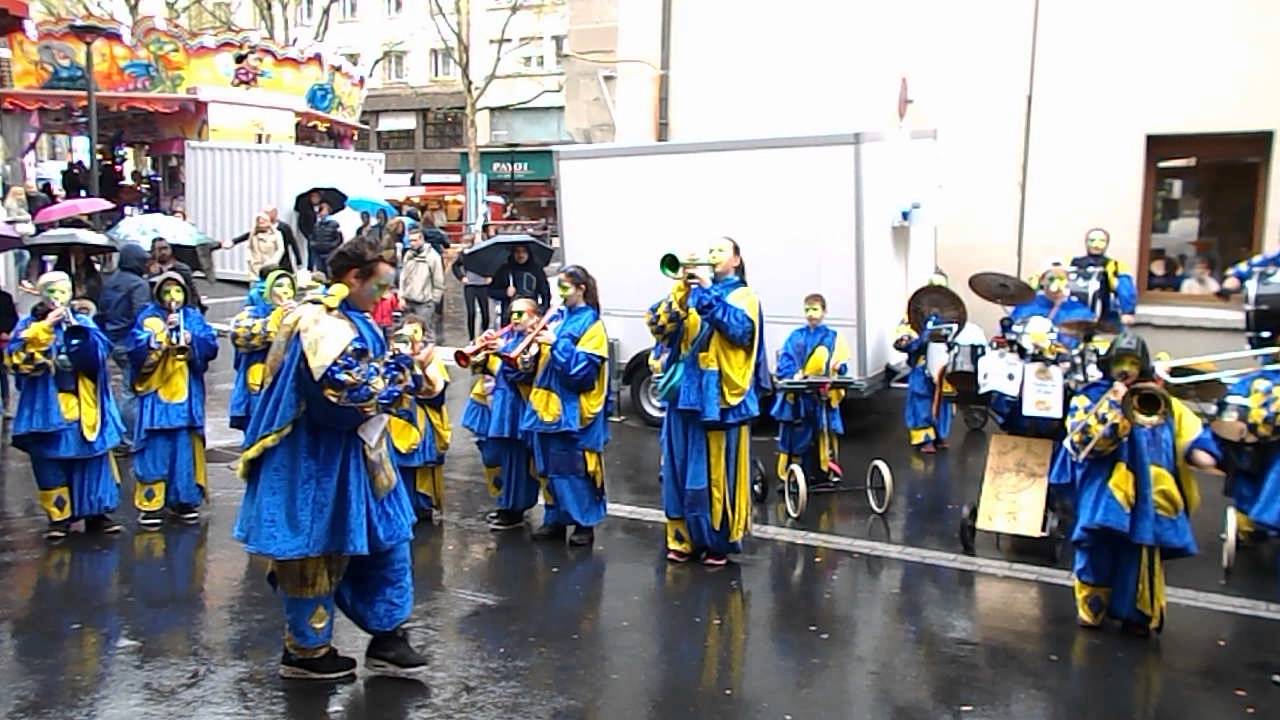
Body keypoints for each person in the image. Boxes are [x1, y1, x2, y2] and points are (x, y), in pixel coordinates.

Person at [233, 237, 428, 681]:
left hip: (363, 456)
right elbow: (345, 394)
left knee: (388, 539)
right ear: (354, 277)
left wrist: (399, 366)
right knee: (313, 550)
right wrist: (400, 370)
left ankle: (389, 635)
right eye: (381, 286)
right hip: (315, 460)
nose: (388, 297)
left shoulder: (355, 317)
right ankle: (307, 651)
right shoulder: (320, 322)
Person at [1064, 333, 1219, 635]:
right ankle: (1093, 607)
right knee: (1097, 550)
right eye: (1120, 362)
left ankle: (1137, 614)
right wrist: (1115, 404)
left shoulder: (1161, 400)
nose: (1126, 369)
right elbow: (1081, 441)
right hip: (1104, 490)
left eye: (1132, 363)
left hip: (1148, 494)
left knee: (1141, 553)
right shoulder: (1090, 396)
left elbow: (1190, 433)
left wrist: (1203, 452)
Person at [647, 239, 770, 565]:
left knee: (715, 472)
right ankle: (682, 538)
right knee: (677, 468)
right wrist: (680, 292)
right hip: (682, 397)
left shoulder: (745, 296)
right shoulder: (689, 293)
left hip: (720, 398)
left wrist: (706, 290)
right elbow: (658, 327)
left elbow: (741, 332)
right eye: (710, 251)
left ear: (736, 259)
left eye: (720, 251)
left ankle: (717, 541)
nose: (712, 256)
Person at [5, 271, 125, 539]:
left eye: (63, 291)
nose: (58, 298)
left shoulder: (82, 321)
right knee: (49, 460)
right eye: (52, 292)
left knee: (91, 457)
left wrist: (77, 338)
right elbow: (16, 361)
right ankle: (59, 518)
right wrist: (45, 328)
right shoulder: (28, 324)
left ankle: (97, 514)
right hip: (46, 405)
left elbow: (99, 357)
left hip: (83, 403)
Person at [521, 265, 611, 547]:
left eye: (565, 287)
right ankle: (555, 518)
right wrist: (529, 356)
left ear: (581, 289)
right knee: (548, 467)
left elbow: (582, 374)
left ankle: (584, 523)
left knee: (574, 468)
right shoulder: (558, 317)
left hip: (572, 411)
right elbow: (544, 363)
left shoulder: (592, 325)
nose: (559, 293)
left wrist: (556, 343)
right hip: (545, 407)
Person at [125, 271, 219, 528]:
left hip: (186, 399)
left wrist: (192, 340)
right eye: (166, 291)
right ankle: (151, 504)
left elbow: (210, 345)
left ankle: (184, 500)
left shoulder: (193, 316)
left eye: (177, 291)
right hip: (157, 399)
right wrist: (159, 338)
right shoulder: (148, 317)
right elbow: (134, 349)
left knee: (184, 451)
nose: (172, 297)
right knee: (155, 452)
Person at [476, 299, 542, 531]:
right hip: (500, 404)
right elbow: (481, 368)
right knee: (499, 458)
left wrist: (502, 350)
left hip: (519, 406)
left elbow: (524, 373)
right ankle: (505, 502)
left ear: (534, 317)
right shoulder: (509, 336)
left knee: (518, 461)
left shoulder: (533, 341)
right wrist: (482, 347)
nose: (514, 318)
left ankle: (515, 508)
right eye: (512, 313)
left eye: (521, 314)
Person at [771, 293, 850, 482]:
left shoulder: (833, 337)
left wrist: (839, 368)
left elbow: (841, 363)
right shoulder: (796, 336)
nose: (811, 314)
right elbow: (785, 361)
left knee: (825, 432)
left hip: (823, 395)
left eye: (815, 309)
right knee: (799, 435)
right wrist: (794, 374)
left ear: (824, 311)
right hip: (800, 397)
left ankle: (826, 471)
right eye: (807, 310)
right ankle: (795, 474)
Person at [387, 315, 450, 524]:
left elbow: (437, 396)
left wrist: (419, 370)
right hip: (396, 424)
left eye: (416, 332)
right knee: (398, 468)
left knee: (420, 467)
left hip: (421, 423)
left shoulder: (432, 360)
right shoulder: (390, 360)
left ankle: (422, 506)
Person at [892, 271, 957, 454]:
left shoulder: (953, 315)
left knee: (943, 401)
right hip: (921, 367)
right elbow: (902, 341)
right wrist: (920, 339)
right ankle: (925, 439)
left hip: (943, 367)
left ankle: (940, 435)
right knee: (921, 402)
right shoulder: (913, 316)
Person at [96, 242, 153, 446]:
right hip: (131, 342)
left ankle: (124, 434)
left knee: (127, 390)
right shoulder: (138, 285)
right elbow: (142, 315)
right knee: (133, 390)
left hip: (113, 340)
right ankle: (129, 437)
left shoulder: (111, 281)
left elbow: (102, 310)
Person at [229, 269, 296, 431]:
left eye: (289, 287)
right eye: (279, 286)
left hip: (286, 385)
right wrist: (274, 320)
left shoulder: (299, 314)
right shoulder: (251, 314)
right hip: (258, 386)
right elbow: (240, 336)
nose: (285, 291)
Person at [1069, 228, 1137, 326]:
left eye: (1101, 241)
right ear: (1086, 242)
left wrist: (1128, 311)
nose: (1096, 245)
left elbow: (1125, 288)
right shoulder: (1073, 263)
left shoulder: (1115, 265)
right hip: (1075, 314)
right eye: (1092, 240)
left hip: (1104, 315)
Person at [399, 228, 444, 342]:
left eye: (414, 240)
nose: (412, 243)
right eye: (410, 241)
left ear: (421, 239)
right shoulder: (408, 255)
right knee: (407, 333)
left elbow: (438, 280)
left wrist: (434, 301)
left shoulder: (433, 257)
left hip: (425, 303)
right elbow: (403, 277)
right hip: (408, 300)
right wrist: (401, 296)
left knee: (426, 333)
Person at [225, 206, 303, 272]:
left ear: (274, 214)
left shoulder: (284, 228)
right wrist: (233, 241)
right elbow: (249, 235)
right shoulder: (261, 227)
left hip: (282, 262)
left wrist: (298, 261)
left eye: (267, 213)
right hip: (265, 260)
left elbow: (293, 243)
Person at [489, 243, 551, 320]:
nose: (521, 255)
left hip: (530, 312)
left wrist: (542, 310)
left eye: (524, 251)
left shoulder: (536, 270)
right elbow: (491, 291)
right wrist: (505, 293)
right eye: (517, 251)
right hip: (510, 314)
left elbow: (545, 292)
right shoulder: (505, 270)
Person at [149, 238, 204, 313]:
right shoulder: (149, 271)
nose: (163, 252)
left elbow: (192, 293)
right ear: (153, 251)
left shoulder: (182, 269)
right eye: (159, 249)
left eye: (165, 248)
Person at [4, 186, 34, 287]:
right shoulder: (11, 205)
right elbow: (10, 218)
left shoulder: (21, 205)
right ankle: (19, 279)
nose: (21, 196)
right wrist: (26, 218)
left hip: (18, 236)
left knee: (22, 256)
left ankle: (19, 279)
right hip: (12, 235)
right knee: (23, 256)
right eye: (19, 194)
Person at [245, 212, 286, 278]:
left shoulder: (276, 234)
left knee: (269, 281)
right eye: (259, 223)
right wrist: (249, 258)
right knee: (256, 282)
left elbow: (281, 249)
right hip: (255, 265)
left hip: (269, 265)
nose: (261, 225)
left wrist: (273, 261)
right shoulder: (253, 234)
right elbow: (249, 247)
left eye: (263, 222)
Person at [307, 202, 342, 272]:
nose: (321, 213)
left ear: (328, 211)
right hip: (318, 253)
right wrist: (314, 244)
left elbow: (339, 238)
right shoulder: (316, 225)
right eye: (320, 210)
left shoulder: (334, 224)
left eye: (323, 210)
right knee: (320, 272)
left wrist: (332, 246)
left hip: (330, 253)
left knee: (330, 272)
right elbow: (312, 237)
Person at [0, 286, 17, 417]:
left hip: (1, 340)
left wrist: (5, 331)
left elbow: (12, 318)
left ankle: (6, 404)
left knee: (2, 372)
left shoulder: (5, 298)